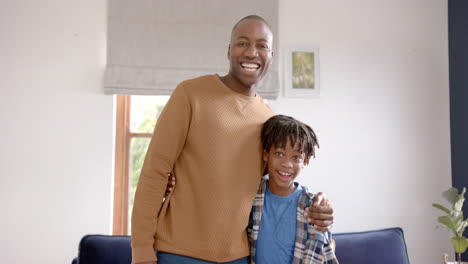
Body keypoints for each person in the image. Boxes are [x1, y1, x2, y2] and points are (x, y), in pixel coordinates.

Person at [131, 15, 334, 264]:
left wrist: (317, 201)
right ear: (229, 50)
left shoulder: (269, 120)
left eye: (262, 46)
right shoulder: (190, 94)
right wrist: (141, 250)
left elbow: (275, 184)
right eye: (242, 43)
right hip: (178, 253)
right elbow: (155, 172)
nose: (251, 52)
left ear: (271, 56)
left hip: (239, 257)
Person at [248, 115, 338, 264]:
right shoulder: (251, 197)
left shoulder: (312, 207)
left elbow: (325, 254)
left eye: (296, 157)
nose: (287, 164)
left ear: (305, 160)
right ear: (265, 155)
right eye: (279, 154)